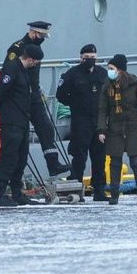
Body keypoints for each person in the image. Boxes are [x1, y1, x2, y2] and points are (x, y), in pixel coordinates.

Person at [3, 21, 71, 176]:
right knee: (20, 138)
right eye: (41, 35)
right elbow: (8, 70)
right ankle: (14, 180)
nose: (43, 38)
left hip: (34, 95)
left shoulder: (37, 48)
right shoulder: (17, 48)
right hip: (20, 96)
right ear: (33, 32)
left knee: (46, 127)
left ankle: (53, 164)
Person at [97, 54, 137, 205]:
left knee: (135, 160)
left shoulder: (134, 84)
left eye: (111, 68)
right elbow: (102, 110)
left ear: (119, 70)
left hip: (132, 127)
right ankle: (114, 195)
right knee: (115, 161)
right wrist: (101, 130)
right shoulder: (107, 86)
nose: (109, 71)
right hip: (115, 128)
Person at [0, 44, 44, 207]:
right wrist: (3, 108)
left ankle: (17, 192)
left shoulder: (24, 71)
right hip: (11, 120)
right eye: (35, 62)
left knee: (21, 157)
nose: (35, 65)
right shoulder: (12, 68)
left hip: (22, 120)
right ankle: (0, 194)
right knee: (9, 156)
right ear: (29, 59)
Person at [56, 44, 109, 201]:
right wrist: (75, 103)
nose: (90, 61)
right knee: (79, 157)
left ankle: (99, 191)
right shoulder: (72, 74)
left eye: (93, 58)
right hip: (81, 120)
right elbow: (61, 95)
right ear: (81, 58)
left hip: (99, 121)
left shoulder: (102, 73)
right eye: (87, 58)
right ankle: (77, 189)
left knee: (99, 158)